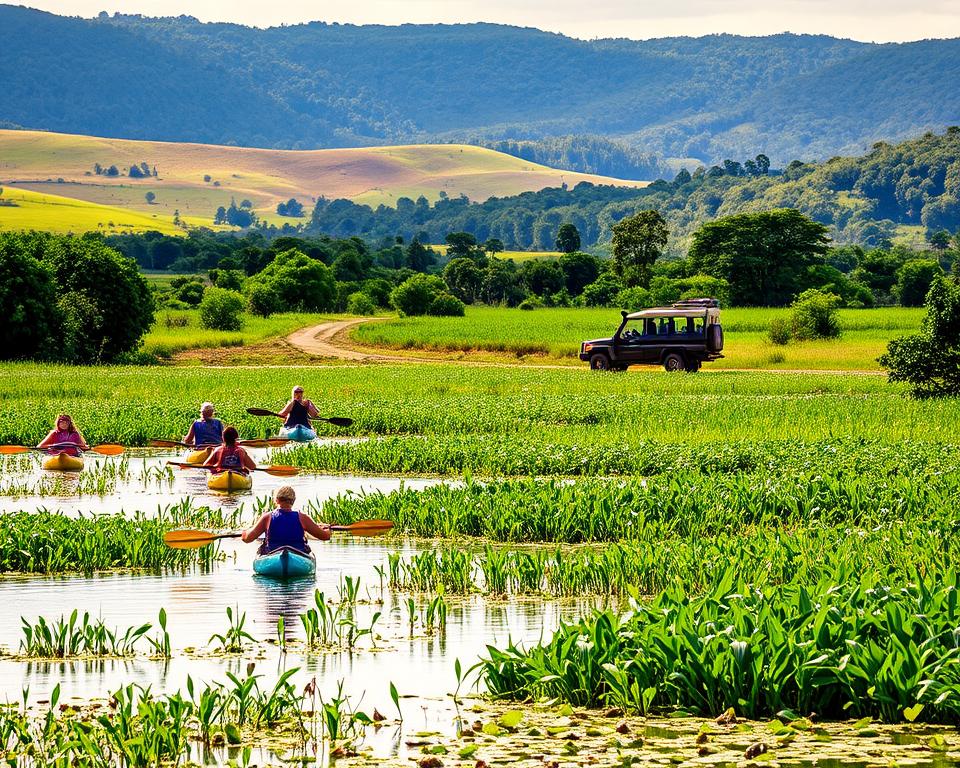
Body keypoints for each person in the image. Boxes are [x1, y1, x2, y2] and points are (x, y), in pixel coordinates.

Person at [241, 486, 331, 554]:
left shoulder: (267, 517)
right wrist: (327, 530)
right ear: (293, 500)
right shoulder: (303, 518)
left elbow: (247, 539)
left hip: (273, 554)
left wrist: (244, 533)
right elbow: (325, 536)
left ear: (276, 500)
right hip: (297, 554)